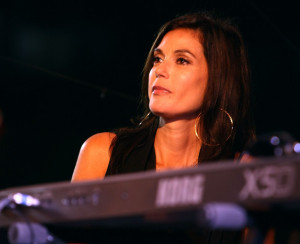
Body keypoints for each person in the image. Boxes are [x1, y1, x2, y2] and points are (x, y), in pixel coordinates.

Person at [71, 11, 256, 243]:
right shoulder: (103, 153)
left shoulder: (242, 174)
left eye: (182, 60)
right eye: (158, 59)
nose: (159, 70)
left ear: (218, 79)